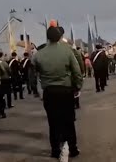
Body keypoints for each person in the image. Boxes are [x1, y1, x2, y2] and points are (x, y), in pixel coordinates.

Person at [33, 26, 83, 159]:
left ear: (48, 37)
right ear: (60, 36)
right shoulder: (67, 50)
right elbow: (76, 71)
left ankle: (55, 150)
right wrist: (77, 86)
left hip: (49, 92)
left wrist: (38, 89)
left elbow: (34, 73)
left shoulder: (39, 54)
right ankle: (72, 148)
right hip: (65, 90)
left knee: (53, 122)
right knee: (68, 121)